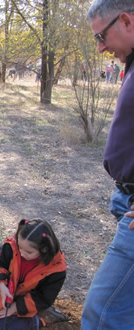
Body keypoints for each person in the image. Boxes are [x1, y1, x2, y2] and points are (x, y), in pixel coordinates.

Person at [82, 2, 134, 329]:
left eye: (102, 36)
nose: (101, 47)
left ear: (126, 19)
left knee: (102, 315)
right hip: (124, 201)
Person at [0, 220, 67, 329]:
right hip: (5, 293)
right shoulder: (11, 245)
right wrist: (1, 286)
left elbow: (44, 298)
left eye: (28, 252)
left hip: (28, 303)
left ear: (44, 249)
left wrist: (14, 307)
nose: (21, 253)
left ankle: (40, 319)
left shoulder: (56, 269)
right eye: (20, 247)